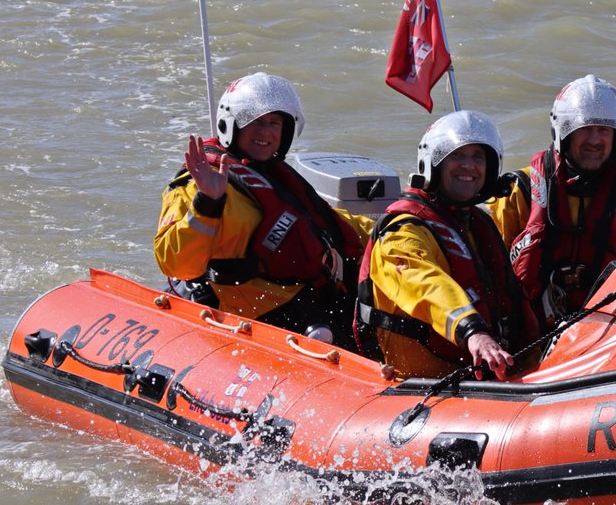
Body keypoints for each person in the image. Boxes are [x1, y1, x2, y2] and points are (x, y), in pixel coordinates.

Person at [155, 72, 373, 349]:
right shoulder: (198, 183)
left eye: (274, 123)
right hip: (251, 312)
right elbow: (176, 264)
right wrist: (208, 201)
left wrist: (387, 228)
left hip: (304, 294)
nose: (266, 132)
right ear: (232, 125)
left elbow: (325, 220)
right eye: (255, 122)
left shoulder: (274, 176)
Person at [356, 110, 539, 380]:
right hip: (421, 381)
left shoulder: (476, 225)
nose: (469, 166)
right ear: (434, 163)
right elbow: (427, 284)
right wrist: (473, 333)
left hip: (485, 373)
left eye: (478, 157)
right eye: (457, 155)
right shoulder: (402, 232)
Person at [489, 74, 616, 329]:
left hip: (611, 335)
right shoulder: (519, 192)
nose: (594, 140)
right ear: (563, 133)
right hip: (527, 334)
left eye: (603, 130)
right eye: (584, 129)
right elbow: (484, 265)